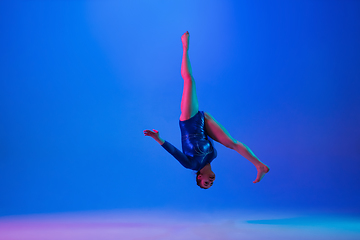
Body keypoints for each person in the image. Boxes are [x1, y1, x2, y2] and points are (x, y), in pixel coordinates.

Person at [144, 31, 269, 189]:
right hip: (203, 123)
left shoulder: (191, 164)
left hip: (189, 120)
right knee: (232, 143)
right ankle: (259, 166)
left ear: (199, 176)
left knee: (189, 81)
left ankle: (185, 47)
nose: (210, 180)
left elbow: (174, 152)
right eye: (211, 183)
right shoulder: (212, 155)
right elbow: (207, 137)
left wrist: (157, 138)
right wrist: (206, 122)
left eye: (205, 182)